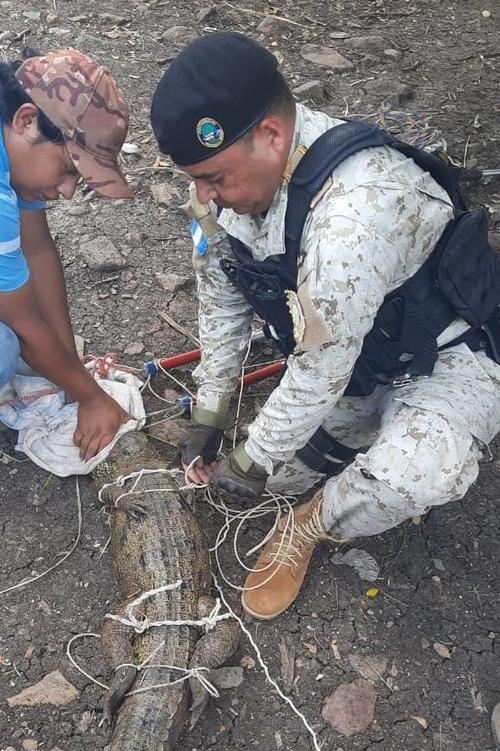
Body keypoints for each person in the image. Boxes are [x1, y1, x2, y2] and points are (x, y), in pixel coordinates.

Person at [150, 32, 500, 620]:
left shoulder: (355, 212)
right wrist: (211, 408)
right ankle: (343, 436)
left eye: (215, 177)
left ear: (271, 136)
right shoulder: (226, 186)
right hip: (360, 361)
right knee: (272, 476)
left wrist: (253, 457)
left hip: (445, 358)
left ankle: (311, 525)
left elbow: (320, 366)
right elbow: (224, 296)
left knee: (414, 475)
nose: (205, 196)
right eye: (197, 179)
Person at [0, 48, 133, 461]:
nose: (69, 191)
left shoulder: (14, 159)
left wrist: (68, 362)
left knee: (39, 355)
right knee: (5, 347)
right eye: (69, 168)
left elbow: (38, 251)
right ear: (26, 121)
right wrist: (90, 398)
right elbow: (21, 323)